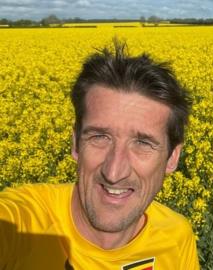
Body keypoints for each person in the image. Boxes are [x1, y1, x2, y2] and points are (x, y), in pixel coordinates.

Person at [0, 41, 200, 269]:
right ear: (75, 143)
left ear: (173, 158)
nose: (114, 172)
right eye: (99, 137)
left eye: (143, 143)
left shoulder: (177, 237)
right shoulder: (24, 225)